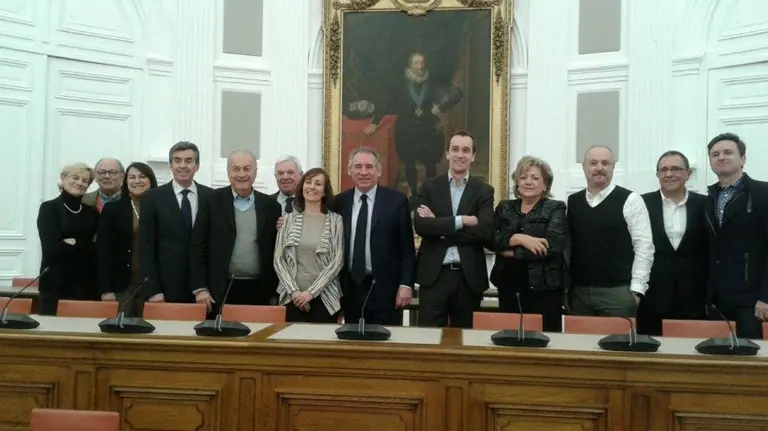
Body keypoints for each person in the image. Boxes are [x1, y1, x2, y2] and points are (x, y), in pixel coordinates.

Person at [413, 131, 494, 328]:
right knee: (429, 341)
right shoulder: (430, 186)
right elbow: (422, 226)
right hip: (434, 276)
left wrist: (439, 225)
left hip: (468, 279)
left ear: (473, 156)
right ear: (447, 153)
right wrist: (462, 220)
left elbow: (484, 232)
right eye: (455, 149)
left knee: (466, 343)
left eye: (466, 150)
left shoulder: (484, 190)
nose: (460, 155)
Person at [332, 147, 415, 325]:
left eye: (369, 167)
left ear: (378, 170)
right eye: (358, 167)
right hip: (349, 287)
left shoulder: (397, 201)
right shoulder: (339, 202)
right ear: (349, 170)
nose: (363, 172)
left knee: (387, 343)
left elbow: (407, 249)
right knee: (352, 342)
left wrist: (406, 285)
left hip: (386, 288)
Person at [567, 146, 654, 317]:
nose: (599, 167)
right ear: (583, 167)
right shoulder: (572, 201)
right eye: (593, 163)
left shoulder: (631, 200)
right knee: (576, 344)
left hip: (618, 294)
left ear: (613, 167)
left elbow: (644, 247)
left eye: (605, 163)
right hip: (579, 295)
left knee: (616, 344)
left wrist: (637, 291)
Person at [191, 149, 280, 315]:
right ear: (227, 172)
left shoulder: (271, 205)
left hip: (259, 289)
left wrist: (275, 291)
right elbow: (197, 246)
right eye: (235, 169)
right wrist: (200, 287)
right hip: (220, 288)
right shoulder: (211, 201)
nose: (241, 174)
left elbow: (275, 250)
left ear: (255, 171)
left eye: (247, 169)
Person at [363, 52, 462, 197]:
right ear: (410, 65)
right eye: (416, 63)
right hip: (407, 129)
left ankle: (429, 194)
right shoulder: (400, 84)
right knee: (409, 163)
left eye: (422, 63)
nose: (420, 66)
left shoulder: (432, 82)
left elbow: (455, 93)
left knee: (430, 163)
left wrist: (440, 108)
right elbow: (386, 104)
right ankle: (414, 194)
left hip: (428, 128)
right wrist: (375, 123)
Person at [489, 156, 569, 332]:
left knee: (545, 341)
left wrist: (512, 252)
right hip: (508, 286)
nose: (528, 182)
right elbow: (490, 238)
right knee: (508, 339)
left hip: (544, 290)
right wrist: (519, 238)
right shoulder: (505, 207)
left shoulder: (556, 208)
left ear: (545, 184)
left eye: (535, 178)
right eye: (523, 177)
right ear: (517, 182)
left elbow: (553, 245)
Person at [705, 133, 768, 339]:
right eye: (715, 154)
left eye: (728, 152)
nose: (721, 157)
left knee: (753, 361)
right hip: (716, 299)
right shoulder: (708, 199)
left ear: (742, 159)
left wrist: (766, 297)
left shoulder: (763, 193)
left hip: (752, 298)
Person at [637, 151, 708, 335]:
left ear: (688, 173)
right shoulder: (641, 203)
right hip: (652, 294)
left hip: (694, 295)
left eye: (676, 169)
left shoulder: (705, 204)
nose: (669, 174)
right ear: (657, 174)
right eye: (664, 169)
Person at [140, 141, 213, 304]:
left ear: (197, 166)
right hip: (165, 287)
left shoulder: (211, 197)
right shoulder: (153, 198)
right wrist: (153, 289)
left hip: (204, 289)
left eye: (188, 161)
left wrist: (205, 286)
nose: (183, 166)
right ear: (171, 165)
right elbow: (146, 246)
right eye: (177, 160)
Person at [274, 168, 344, 322]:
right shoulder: (288, 220)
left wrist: (310, 293)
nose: (312, 187)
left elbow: (337, 262)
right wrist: (294, 293)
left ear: (325, 192)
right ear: (302, 186)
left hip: (325, 299)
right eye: (308, 182)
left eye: (318, 184)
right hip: (292, 298)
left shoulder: (336, 221)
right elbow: (278, 260)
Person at [37, 163, 100, 315]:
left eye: (85, 181)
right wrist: (84, 245)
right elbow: (51, 248)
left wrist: (75, 242)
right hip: (55, 283)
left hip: (87, 284)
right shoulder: (49, 209)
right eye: (75, 177)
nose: (80, 183)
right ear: (63, 178)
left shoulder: (91, 213)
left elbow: (97, 248)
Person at [96, 162, 158, 316]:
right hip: (121, 285)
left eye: (142, 176)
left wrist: (158, 288)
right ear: (126, 181)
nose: (137, 181)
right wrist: (106, 289)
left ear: (151, 180)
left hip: (152, 285)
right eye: (132, 177)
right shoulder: (113, 209)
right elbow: (102, 251)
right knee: (120, 331)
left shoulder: (161, 207)